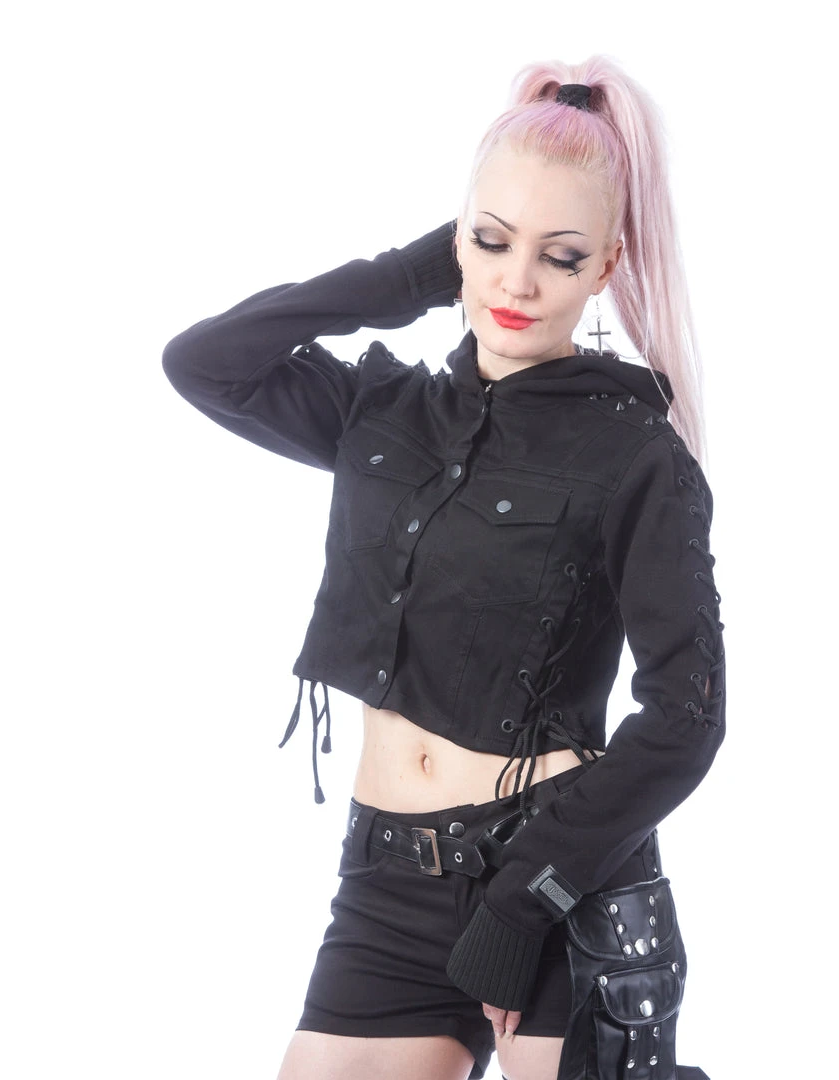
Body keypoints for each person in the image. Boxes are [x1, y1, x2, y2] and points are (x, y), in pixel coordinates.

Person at [162, 55, 725, 1080]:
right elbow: (204, 361)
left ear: (606, 266)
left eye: (560, 255)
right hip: (386, 884)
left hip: (559, 879)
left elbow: (687, 717)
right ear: (455, 234)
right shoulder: (383, 414)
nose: (518, 282)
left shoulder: (636, 455)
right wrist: (413, 277)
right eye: (492, 239)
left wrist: (524, 900)